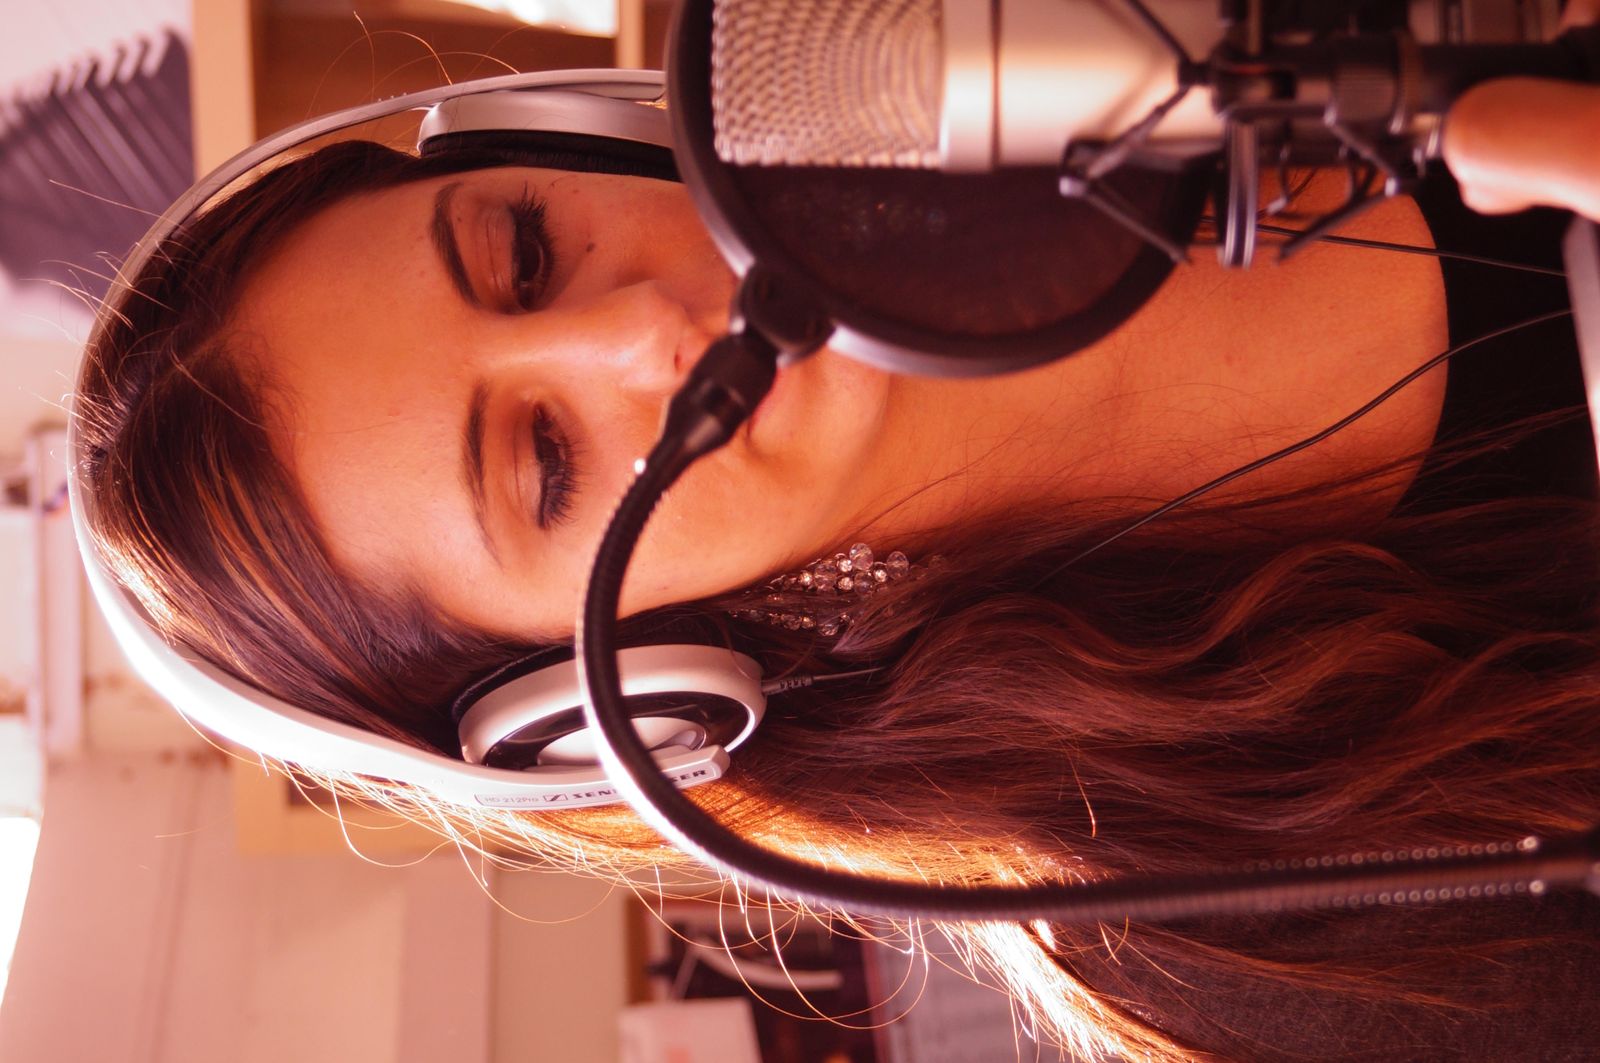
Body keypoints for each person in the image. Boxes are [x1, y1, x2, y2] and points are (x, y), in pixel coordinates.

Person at [72, 50, 1600, 1063]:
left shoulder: (1092, 41)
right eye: (544, 463)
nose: (639, 334)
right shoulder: (1232, 944)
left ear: (581, 134)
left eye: (526, 252)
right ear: (622, 689)